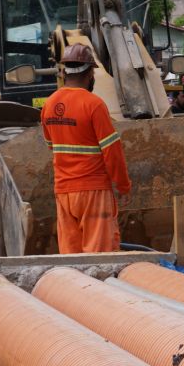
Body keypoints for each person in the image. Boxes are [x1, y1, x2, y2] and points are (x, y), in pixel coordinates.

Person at [41, 43, 132, 254]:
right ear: (90, 73)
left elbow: (51, 146)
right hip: (93, 191)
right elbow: (112, 152)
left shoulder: (49, 104)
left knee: (72, 257)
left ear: (64, 72)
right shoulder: (94, 105)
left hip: (64, 192)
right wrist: (123, 186)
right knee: (100, 255)